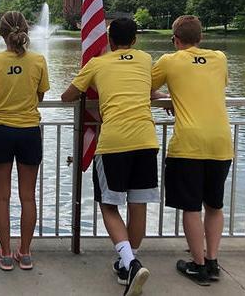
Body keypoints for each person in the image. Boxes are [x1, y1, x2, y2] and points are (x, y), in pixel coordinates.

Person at [61, 18, 158, 296]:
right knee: (138, 204)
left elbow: (69, 96)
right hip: (146, 140)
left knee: (108, 206)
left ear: (109, 40)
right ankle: (128, 264)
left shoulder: (97, 63)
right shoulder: (145, 59)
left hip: (114, 143)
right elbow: (148, 90)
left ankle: (130, 262)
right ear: (135, 39)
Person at [151, 15, 233, 286]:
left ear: (175, 39)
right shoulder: (220, 58)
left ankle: (197, 265)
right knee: (214, 205)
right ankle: (212, 260)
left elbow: (143, 88)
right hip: (221, 142)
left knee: (190, 207)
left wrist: (167, 98)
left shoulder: (169, 61)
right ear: (201, 37)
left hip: (188, 144)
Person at [0, 11, 49, 271]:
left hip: (1, 131)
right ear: (26, 31)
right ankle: (25, 253)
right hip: (29, 131)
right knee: (28, 197)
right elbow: (40, 95)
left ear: (1, 33)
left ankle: (6, 253)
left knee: (2, 197)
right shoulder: (39, 60)